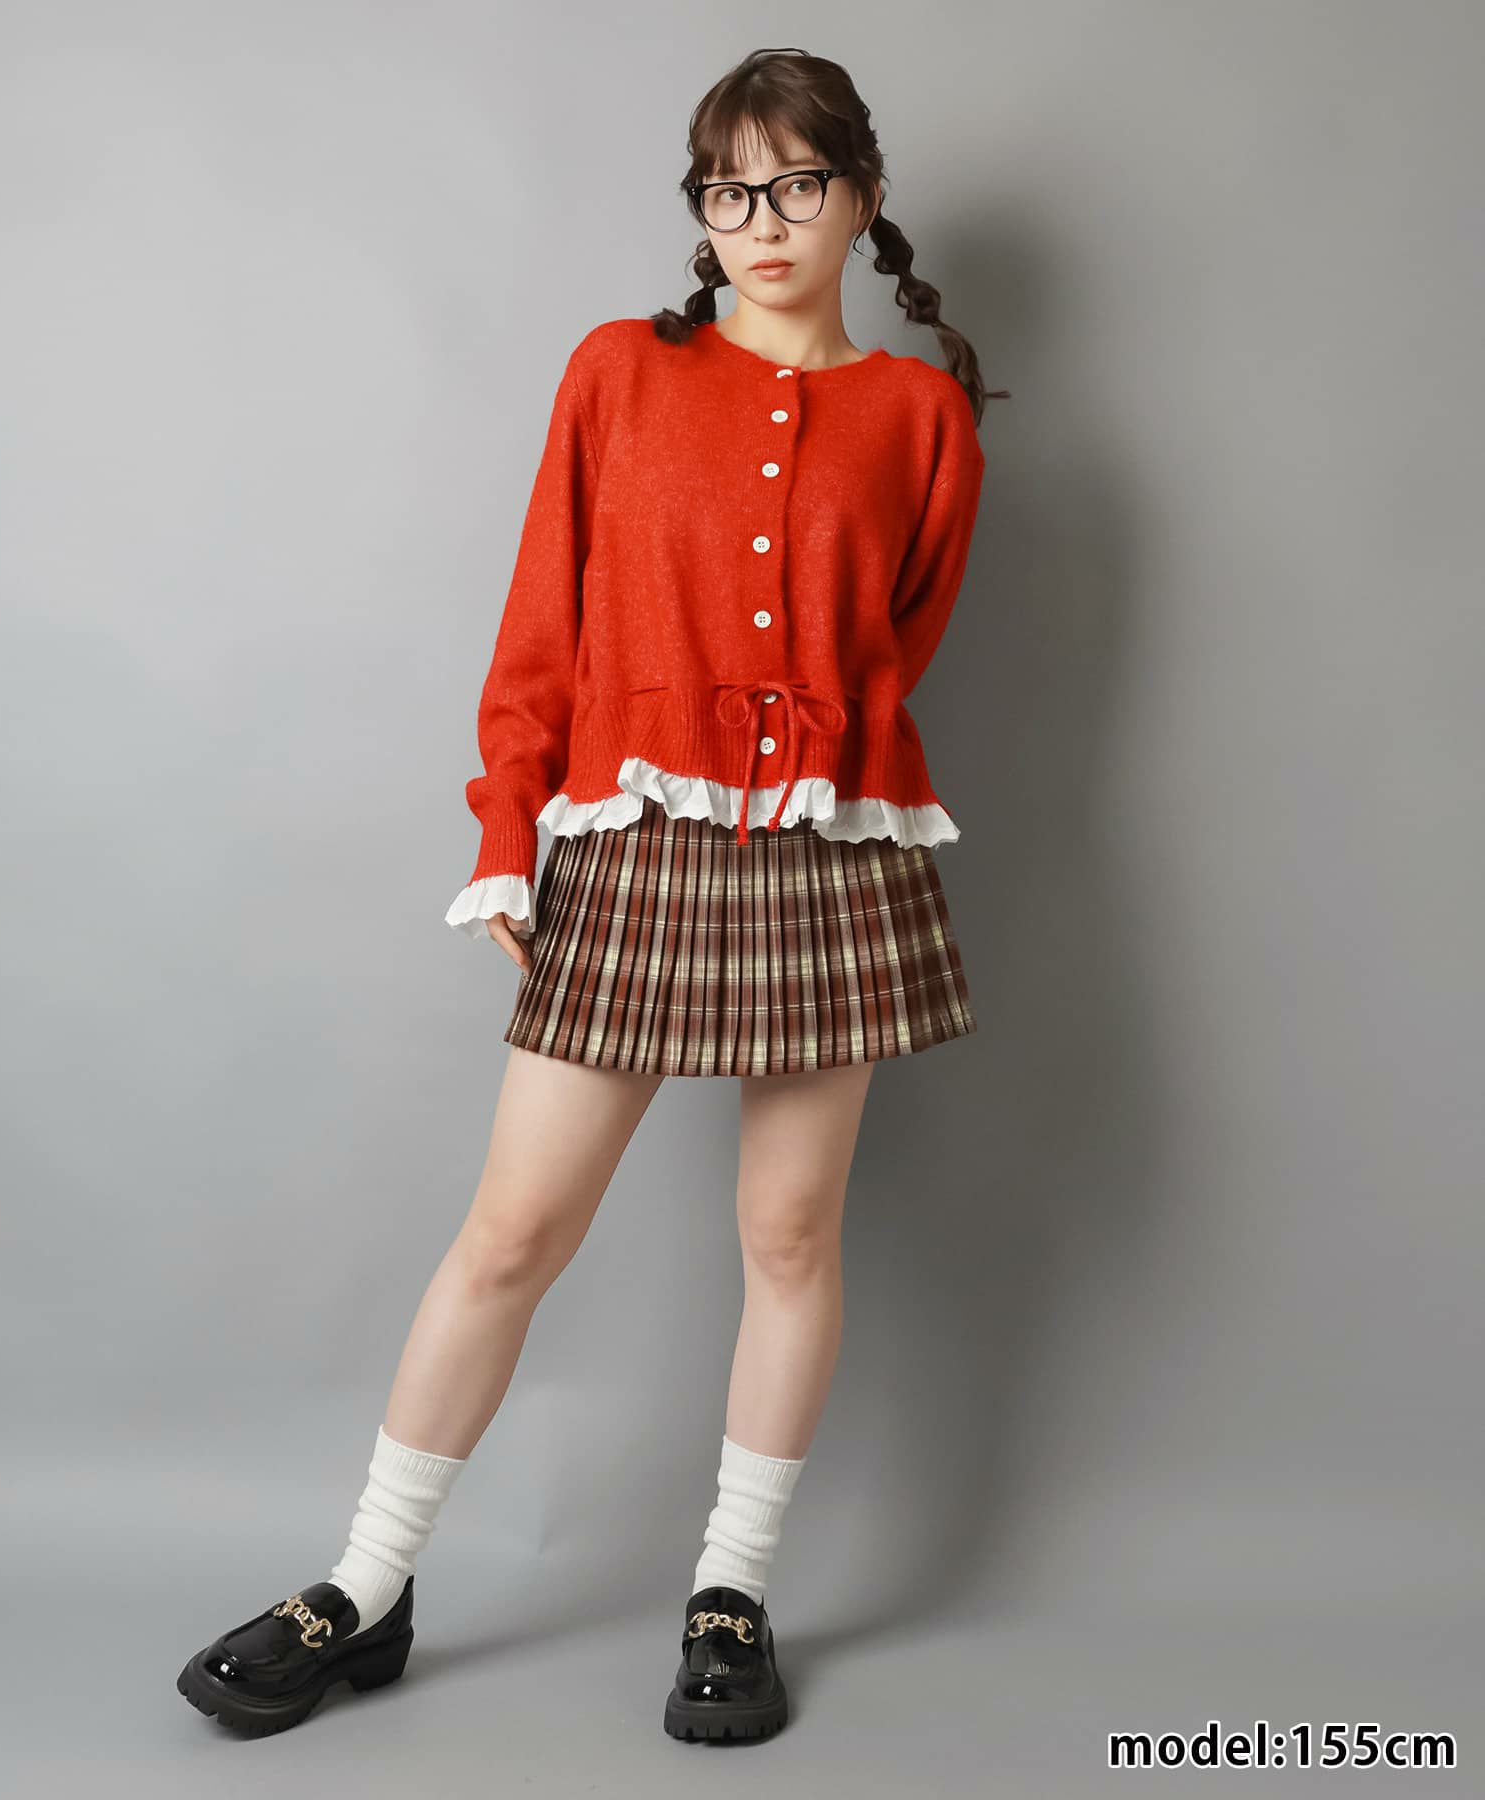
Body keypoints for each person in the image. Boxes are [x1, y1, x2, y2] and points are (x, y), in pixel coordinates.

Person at [175, 44, 1007, 1744]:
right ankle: (367, 1584)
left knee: (791, 1234)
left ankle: (731, 1594)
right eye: (728, 189)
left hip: (830, 847)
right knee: (513, 1233)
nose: (761, 220)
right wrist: (510, 829)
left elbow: (895, 646)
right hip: (635, 835)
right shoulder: (620, 372)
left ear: (861, 197)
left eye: (796, 184)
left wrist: (797, 752)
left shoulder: (924, 418)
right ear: (702, 207)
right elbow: (542, 618)